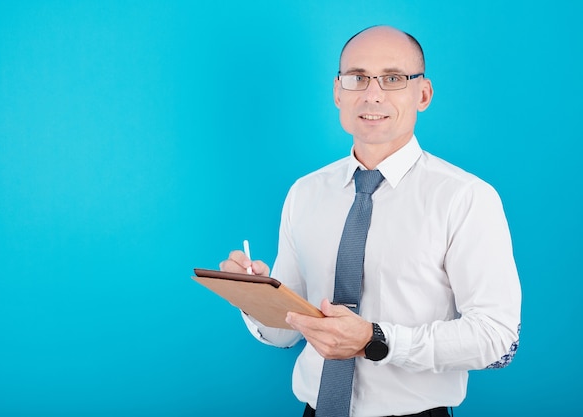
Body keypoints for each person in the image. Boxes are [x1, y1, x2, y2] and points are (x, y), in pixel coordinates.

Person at [219, 25, 521, 417]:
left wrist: (374, 339)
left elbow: (496, 338)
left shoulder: (465, 197)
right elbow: (285, 333)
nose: (372, 94)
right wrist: (255, 297)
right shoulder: (305, 193)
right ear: (337, 92)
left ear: (423, 94)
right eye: (357, 78)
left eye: (393, 78)